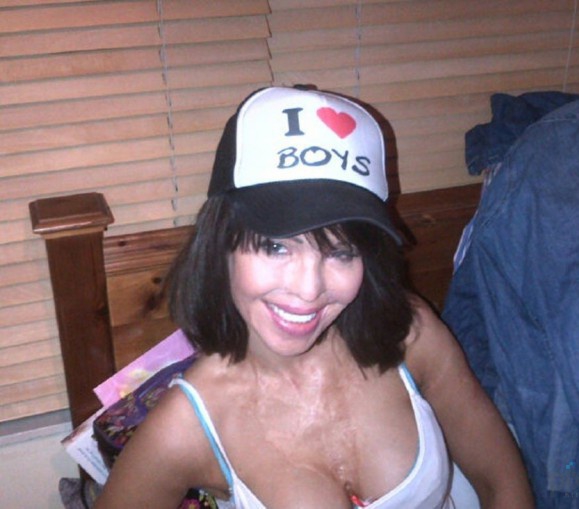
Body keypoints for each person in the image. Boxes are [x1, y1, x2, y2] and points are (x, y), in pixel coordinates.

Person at [94, 86, 534, 509]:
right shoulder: (184, 428)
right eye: (275, 247)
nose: (309, 291)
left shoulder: (408, 334)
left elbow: (500, 480)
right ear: (221, 243)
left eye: (342, 252)